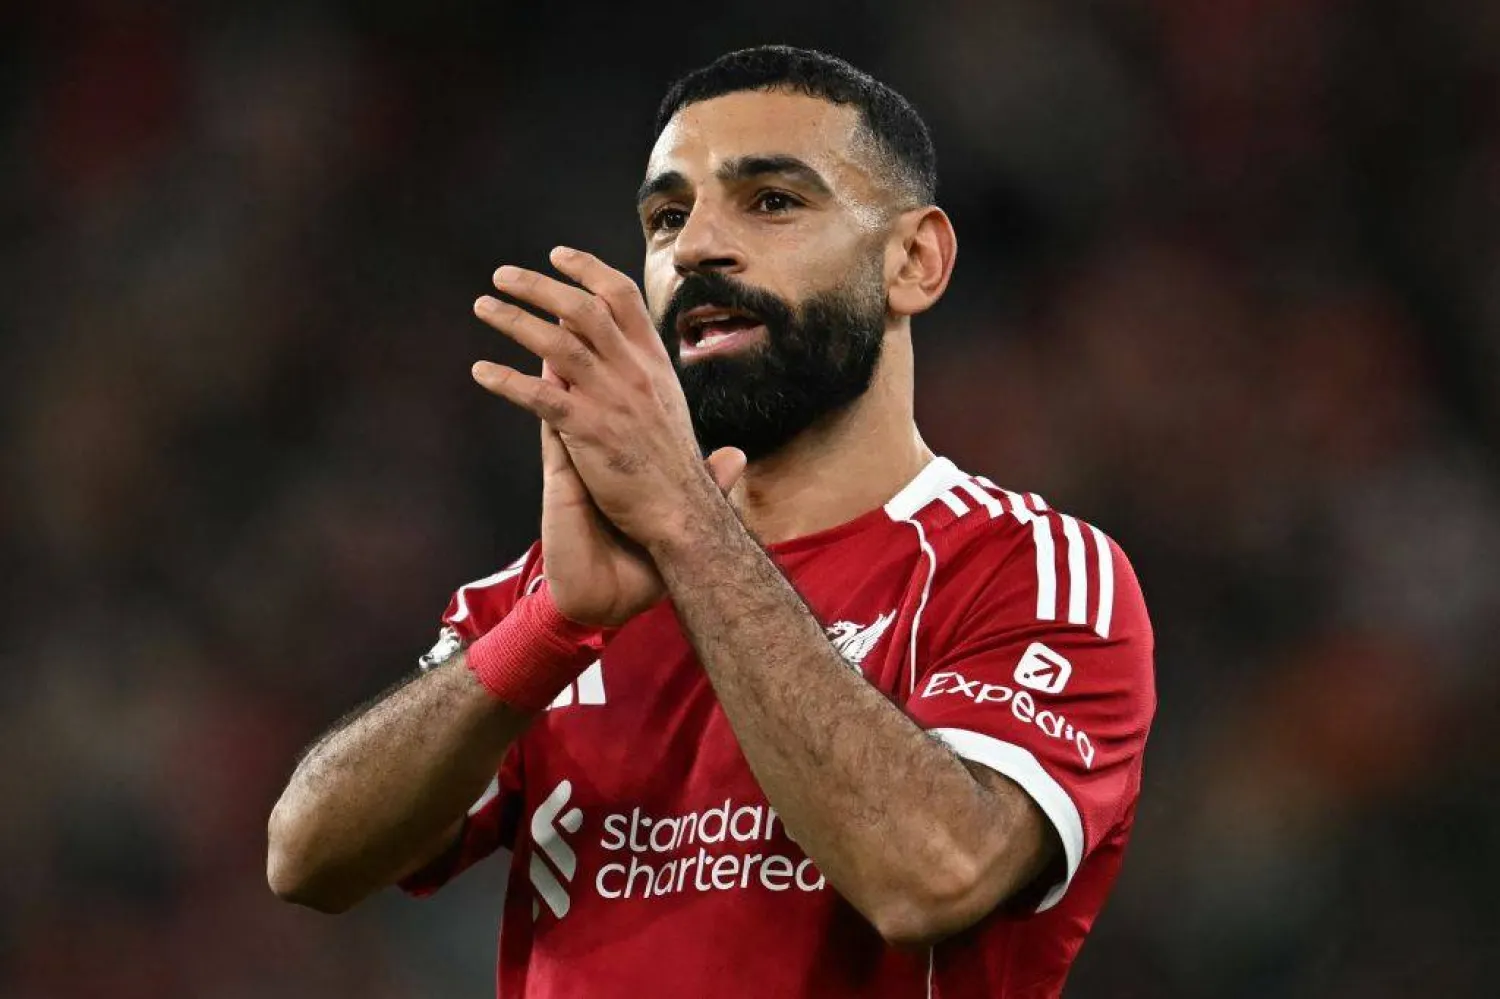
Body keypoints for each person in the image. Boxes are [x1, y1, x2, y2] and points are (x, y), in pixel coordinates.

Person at [266, 45, 1156, 998]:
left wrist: (691, 529)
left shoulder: (1026, 567)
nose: (694, 248)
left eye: (772, 201)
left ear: (913, 260)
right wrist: (548, 628)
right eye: (666, 216)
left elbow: (932, 874)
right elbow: (307, 857)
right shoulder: (576, 582)